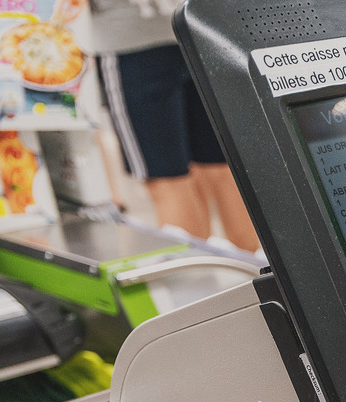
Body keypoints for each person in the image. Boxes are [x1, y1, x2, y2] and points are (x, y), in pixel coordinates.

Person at [91, 0, 259, 252]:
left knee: (169, 181)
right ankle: (260, 280)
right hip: (198, 29)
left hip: (133, 39)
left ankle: (199, 286)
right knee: (221, 171)